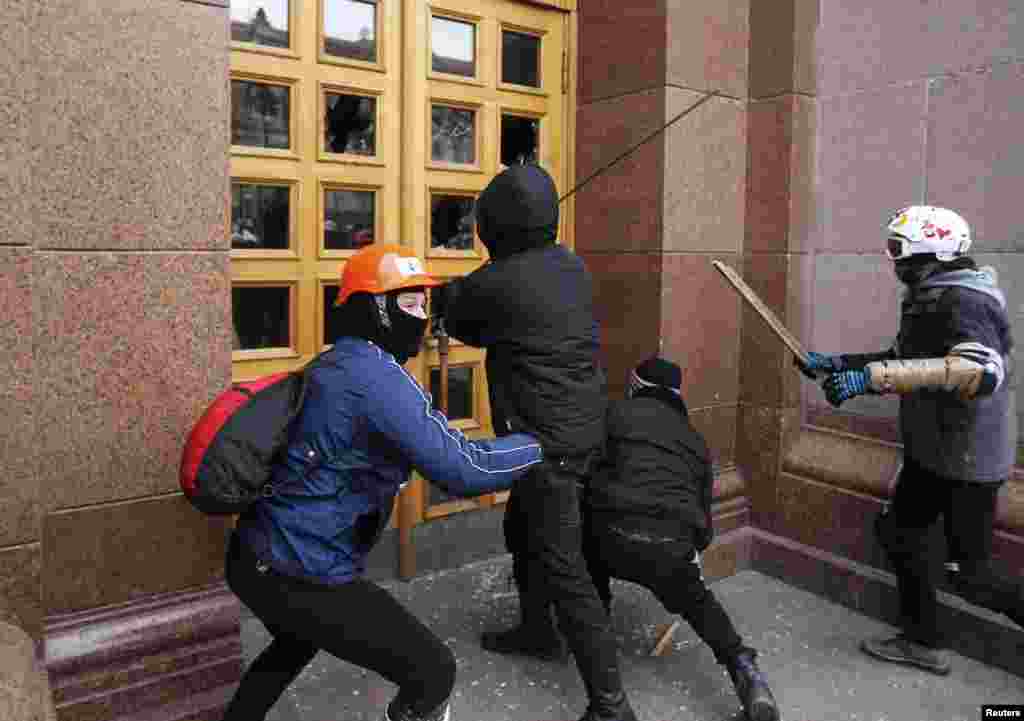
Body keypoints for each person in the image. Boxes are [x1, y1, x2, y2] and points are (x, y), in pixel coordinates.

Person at [222, 244, 545, 721]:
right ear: (375, 309)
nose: (421, 317)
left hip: (256, 556)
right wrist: (539, 446)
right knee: (432, 672)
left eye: (424, 304)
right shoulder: (375, 377)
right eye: (409, 304)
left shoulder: (339, 361)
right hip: (301, 570)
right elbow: (465, 468)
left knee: (297, 641)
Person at [439, 164, 635, 721]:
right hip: (578, 430)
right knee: (521, 530)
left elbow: (464, 321)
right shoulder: (570, 267)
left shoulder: (496, 283)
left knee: (564, 567)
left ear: (495, 223)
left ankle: (611, 704)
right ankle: (534, 629)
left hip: (548, 445)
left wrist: (455, 290)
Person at [800, 205, 1023, 675]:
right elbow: (903, 357)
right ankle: (922, 641)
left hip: (967, 460)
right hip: (933, 451)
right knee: (900, 533)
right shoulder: (929, 294)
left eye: (898, 250)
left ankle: (926, 637)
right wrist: (842, 364)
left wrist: (872, 379)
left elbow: (981, 372)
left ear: (932, 253)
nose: (892, 259)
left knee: (972, 576)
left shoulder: (965, 301)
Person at [581, 357, 780, 721]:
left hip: (609, 533)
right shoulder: (695, 443)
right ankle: (746, 671)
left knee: (585, 552)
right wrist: (687, 554)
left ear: (635, 387)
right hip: (670, 546)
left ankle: (599, 643)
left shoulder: (612, 414)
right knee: (697, 601)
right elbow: (703, 522)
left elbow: (584, 473)